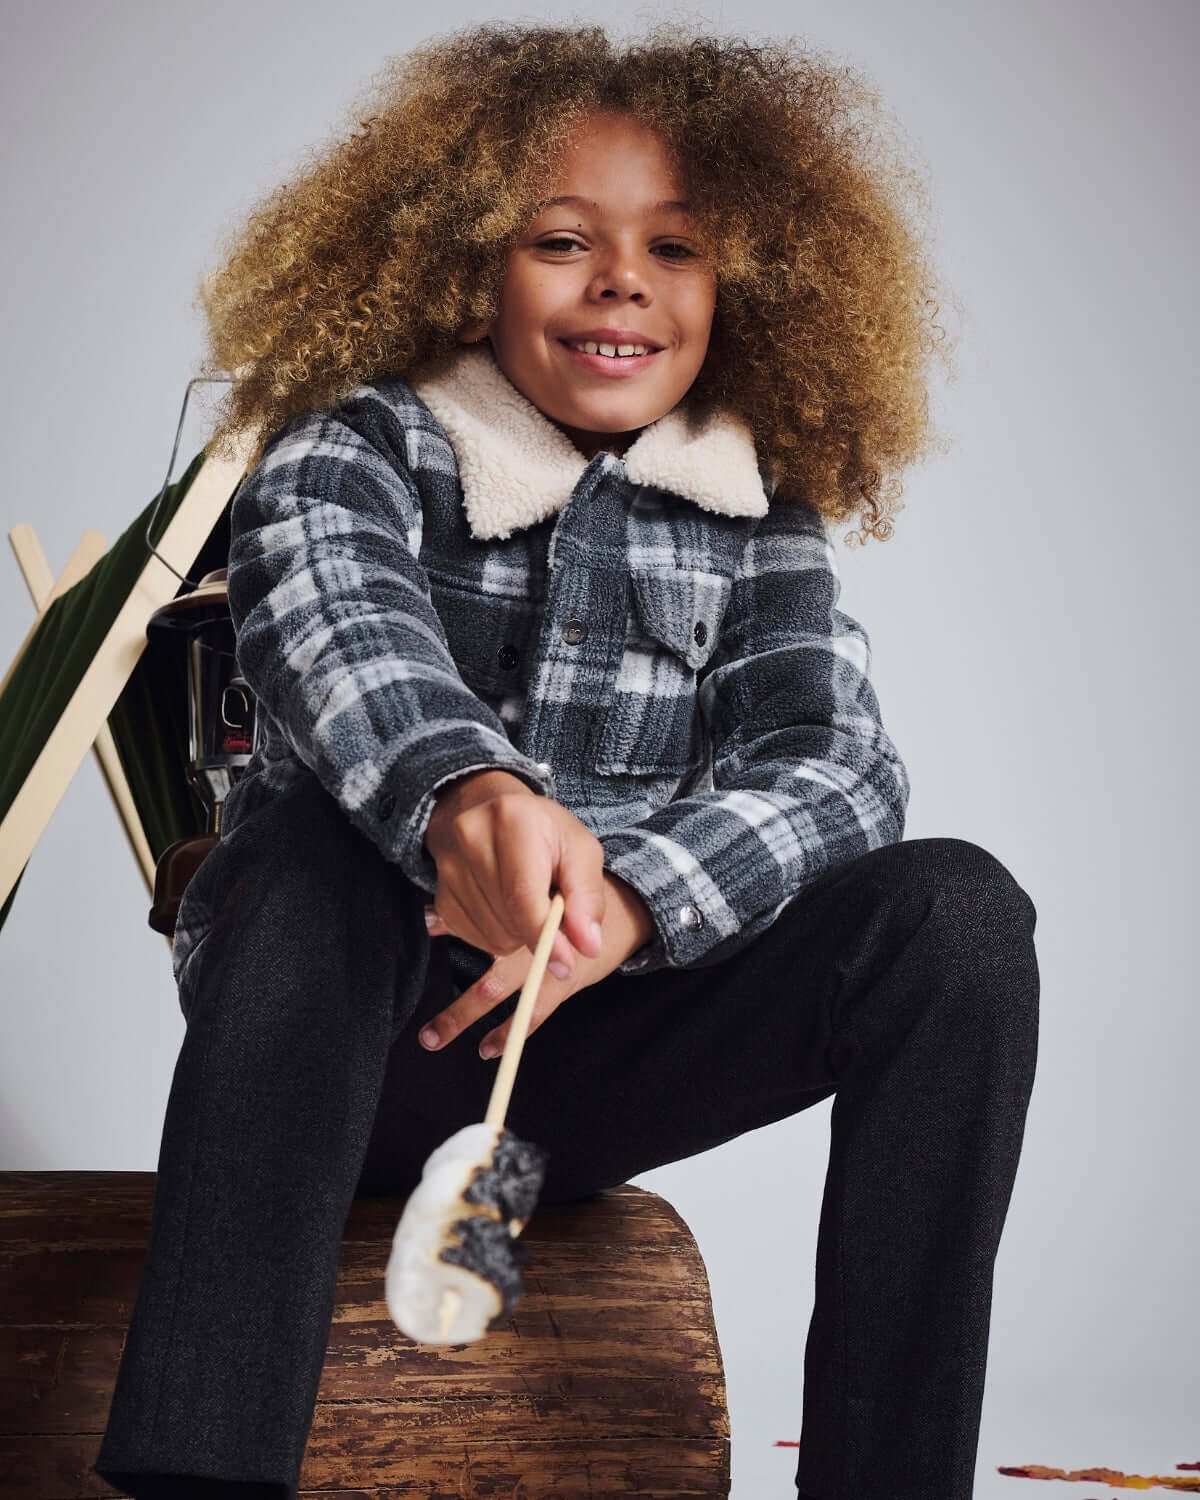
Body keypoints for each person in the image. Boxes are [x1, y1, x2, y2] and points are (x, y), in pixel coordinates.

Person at [93, 21, 1039, 1500]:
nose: (624, 284)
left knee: (962, 919)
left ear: (749, 285)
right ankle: (202, 1475)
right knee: (298, 857)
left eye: (676, 247)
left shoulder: (753, 513)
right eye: (562, 240)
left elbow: (839, 765)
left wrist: (640, 899)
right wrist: (476, 795)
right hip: (352, 1044)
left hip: (595, 1056)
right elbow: (335, 620)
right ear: (461, 257)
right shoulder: (354, 444)